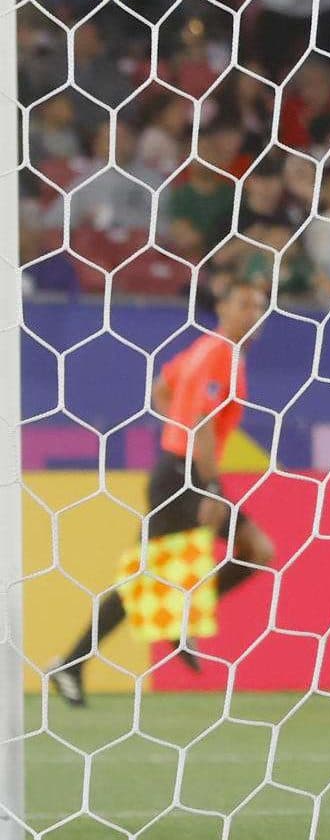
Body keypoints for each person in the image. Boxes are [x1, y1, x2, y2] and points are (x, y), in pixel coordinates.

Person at [49, 282, 276, 707]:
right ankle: (76, 662)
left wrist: (180, 431)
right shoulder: (220, 354)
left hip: (179, 470)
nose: (254, 314)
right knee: (245, 553)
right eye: (245, 304)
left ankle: (78, 661)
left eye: (260, 307)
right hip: (184, 476)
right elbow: (203, 422)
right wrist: (210, 486)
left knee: (247, 551)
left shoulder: (205, 350)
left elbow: (162, 389)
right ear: (222, 307)